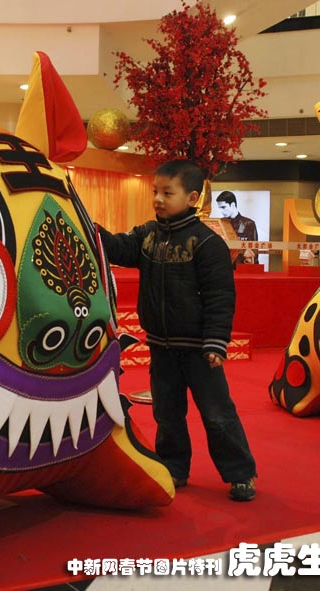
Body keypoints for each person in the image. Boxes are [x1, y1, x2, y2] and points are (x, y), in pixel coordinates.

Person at [98, 160, 258, 502]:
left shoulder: (208, 243)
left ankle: (241, 473)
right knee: (167, 414)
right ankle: (173, 467)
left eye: (167, 193)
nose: (158, 199)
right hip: (161, 346)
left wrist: (216, 342)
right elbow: (117, 247)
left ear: (192, 198)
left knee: (217, 415)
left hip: (200, 348)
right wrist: (89, 227)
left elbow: (220, 296)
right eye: (155, 191)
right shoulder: (146, 236)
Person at [215, 191, 258, 265]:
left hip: (242, 266)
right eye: (220, 208)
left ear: (232, 205)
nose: (221, 211)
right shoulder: (219, 224)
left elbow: (254, 251)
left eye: (223, 207)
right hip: (224, 266)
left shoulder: (248, 223)